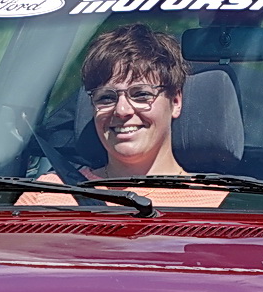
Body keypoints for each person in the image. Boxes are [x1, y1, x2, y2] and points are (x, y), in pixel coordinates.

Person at [20, 23, 224, 207]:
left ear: (176, 101)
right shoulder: (46, 194)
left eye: (141, 94)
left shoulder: (221, 204)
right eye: (106, 98)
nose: (122, 110)